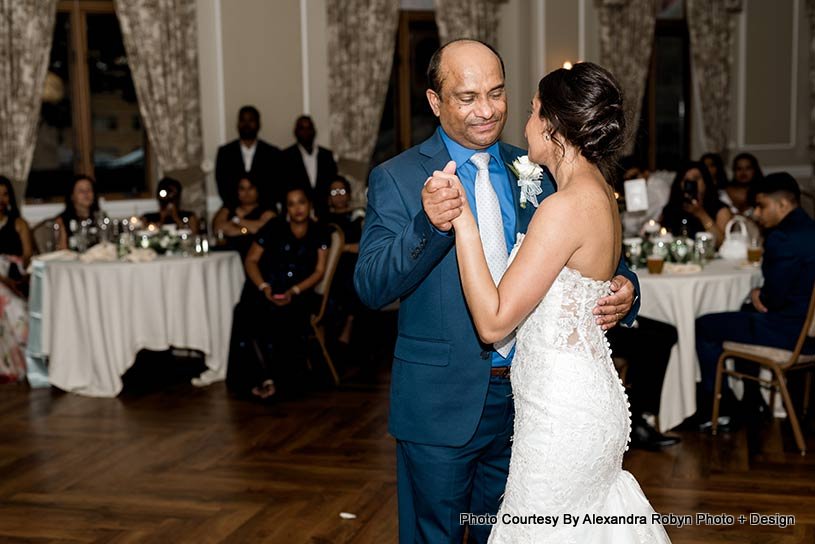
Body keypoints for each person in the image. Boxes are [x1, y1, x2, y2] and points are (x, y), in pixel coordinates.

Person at [354, 40, 640, 543]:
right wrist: (429, 225)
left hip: (531, 408)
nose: (487, 110)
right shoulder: (396, 178)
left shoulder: (537, 166)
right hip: (441, 405)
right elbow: (371, 286)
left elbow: (603, 253)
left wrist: (626, 290)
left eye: (497, 92)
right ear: (434, 101)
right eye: (466, 97)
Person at [443, 61, 668, 542]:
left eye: (531, 111)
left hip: (562, 415)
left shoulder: (563, 207)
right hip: (582, 398)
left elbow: (494, 321)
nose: (525, 123)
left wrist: (463, 221)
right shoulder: (599, 194)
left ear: (552, 125)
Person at [695, 172, 815, 427]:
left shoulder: (781, 238)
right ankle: (750, 401)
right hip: (806, 330)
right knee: (744, 312)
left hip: (791, 335)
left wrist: (759, 294)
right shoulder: (809, 228)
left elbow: (773, 299)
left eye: (762, 206)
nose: (757, 214)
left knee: (705, 325)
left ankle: (717, 406)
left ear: (783, 204)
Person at [226, 187, 328, 400]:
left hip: (300, 292)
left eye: (301, 202)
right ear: (286, 208)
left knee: (284, 315)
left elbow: (319, 271)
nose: (297, 208)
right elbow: (251, 260)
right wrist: (264, 287)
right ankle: (263, 377)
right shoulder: (274, 227)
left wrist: (294, 290)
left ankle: (282, 378)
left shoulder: (320, 231)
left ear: (309, 205)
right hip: (268, 287)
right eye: (291, 203)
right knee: (245, 312)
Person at [606, 317, 680, 450]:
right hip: (598, 329)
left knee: (669, 332)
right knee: (654, 342)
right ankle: (636, 421)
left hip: (612, 317)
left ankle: (637, 410)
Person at [215, 105, 283, 211]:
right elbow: (223, 186)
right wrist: (238, 209)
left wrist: (256, 209)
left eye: (251, 120)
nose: (246, 124)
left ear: (258, 124)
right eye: (243, 120)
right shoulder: (225, 153)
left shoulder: (273, 153)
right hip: (233, 211)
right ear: (238, 124)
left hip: (266, 212)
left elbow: (276, 186)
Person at [324, 176, 365, 345]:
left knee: (352, 277)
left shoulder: (358, 216)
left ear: (348, 195)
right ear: (328, 197)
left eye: (342, 191)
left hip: (355, 264)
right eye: (334, 192)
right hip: (330, 268)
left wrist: (342, 248)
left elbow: (364, 245)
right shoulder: (324, 220)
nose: (338, 195)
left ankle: (349, 324)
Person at [0, 177, 32, 384]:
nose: (1, 199)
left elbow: (28, 254)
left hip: (15, 274)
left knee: (11, 303)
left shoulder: (19, 223)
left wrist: (17, 275)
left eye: (4, 194)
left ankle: (20, 364)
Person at [660, 161, 733, 247]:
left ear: (705, 182)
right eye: (686, 180)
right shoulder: (671, 208)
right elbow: (664, 237)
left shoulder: (721, 209)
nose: (690, 183)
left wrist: (701, 214)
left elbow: (721, 243)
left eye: (695, 179)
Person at [281, 115, 338, 219]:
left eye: (309, 128)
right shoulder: (286, 156)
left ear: (314, 131)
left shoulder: (326, 155)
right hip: (297, 215)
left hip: (325, 214)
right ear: (296, 131)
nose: (306, 132)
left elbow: (332, 183)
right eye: (302, 128)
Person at [211, 174, 276, 259]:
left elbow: (262, 229)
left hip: (257, 258)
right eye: (242, 189)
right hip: (230, 255)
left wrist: (236, 221)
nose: (247, 192)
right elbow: (217, 228)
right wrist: (245, 230)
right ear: (237, 191)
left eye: (250, 188)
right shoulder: (228, 208)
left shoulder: (267, 209)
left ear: (257, 190)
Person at [55, 174, 100, 251]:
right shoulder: (62, 221)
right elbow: (62, 252)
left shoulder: (100, 217)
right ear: (72, 196)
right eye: (81, 191)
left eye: (89, 190)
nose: (86, 194)